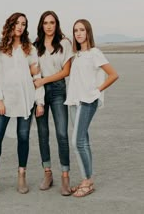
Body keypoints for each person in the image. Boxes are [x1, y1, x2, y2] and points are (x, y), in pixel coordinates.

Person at [0, 12, 44, 196]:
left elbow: (37, 76)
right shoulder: (1, 48)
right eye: (17, 23)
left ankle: (21, 176)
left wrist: (39, 102)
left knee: (23, 137)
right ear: (10, 25)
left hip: (25, 100)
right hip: (5, 100)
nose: (20, 27)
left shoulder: (30, 49)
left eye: (23, 24)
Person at [65, 19, 119, 197]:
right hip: (73, 101)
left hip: (87, 101)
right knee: (83, 140)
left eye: (82, 30)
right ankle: (86, 179)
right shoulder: (77, 55)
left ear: (88, 32)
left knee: (77, 141)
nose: (78, 33)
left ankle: (87, 182)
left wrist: (96, 91)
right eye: (75, 31)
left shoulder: (95, 53)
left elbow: (113, 75)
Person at [33, 11, 73, 196]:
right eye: (45, 23)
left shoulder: (64, 43)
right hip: (40, 93)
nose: (49, 26)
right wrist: (39, 85)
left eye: (52, 23)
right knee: (43, 134)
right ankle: (47, 174)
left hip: (58, 90)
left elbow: (66, 72)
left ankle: (65, 177)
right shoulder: (35, 46)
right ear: (41, 25)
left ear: (56, 25)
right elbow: (33, 72)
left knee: (62, 133)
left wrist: (44, 80)